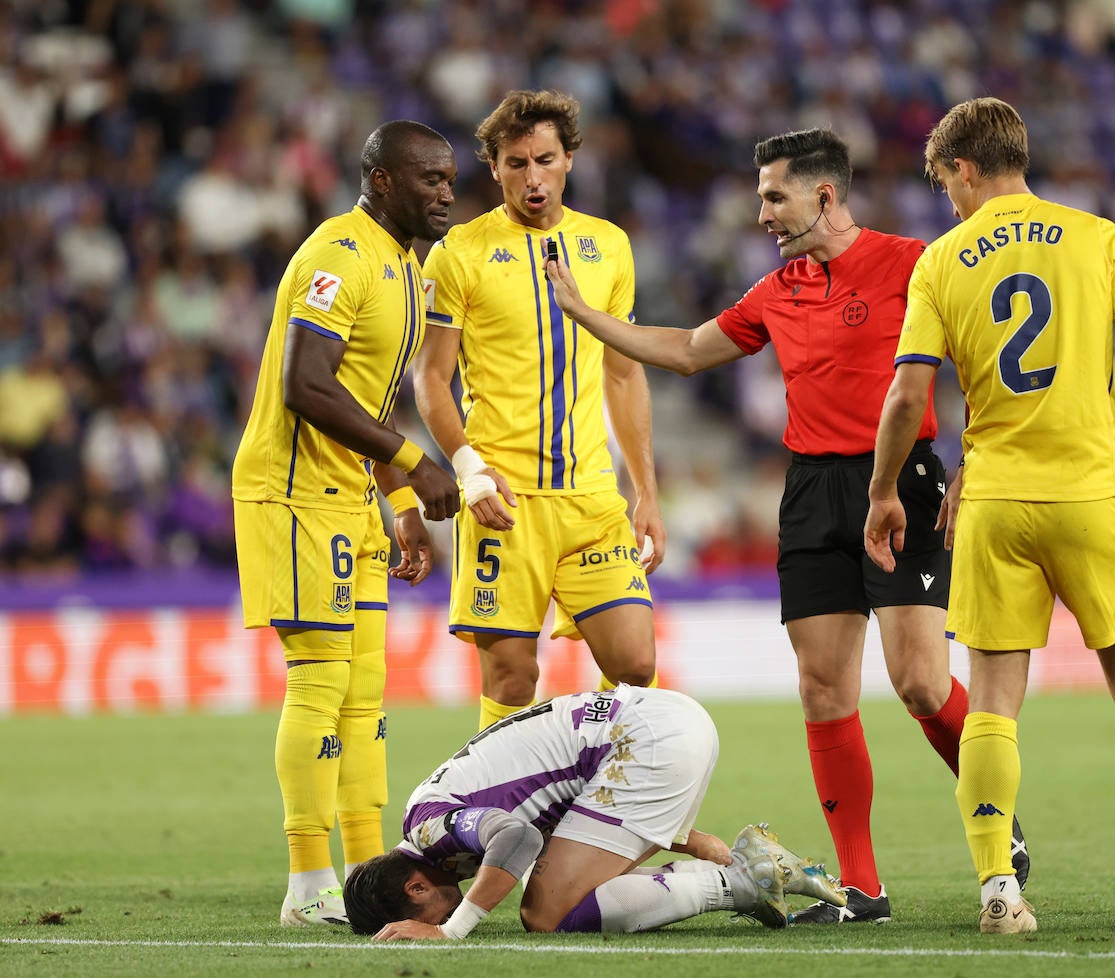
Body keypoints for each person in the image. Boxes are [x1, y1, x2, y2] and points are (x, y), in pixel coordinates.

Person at [542, 127, 1028, 924]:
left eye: (774, 195)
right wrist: (584, 313)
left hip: (901, 480)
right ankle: (862, 886)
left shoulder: (913, 262)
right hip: (811, 492)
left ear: (824, 195)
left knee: (918, 680)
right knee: (822, 686)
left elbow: (978, 353)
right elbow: (689, 350)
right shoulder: (778, 290)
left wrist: (977, 451)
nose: (761, 210)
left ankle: (996, 812)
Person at [863, 97, 1115, 934]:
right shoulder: (1097, 236)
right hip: (1095, 492)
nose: (948, 201)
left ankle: (998, 892)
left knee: (990, 699)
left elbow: (908, 390)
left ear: (962, 168)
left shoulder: (942, 259)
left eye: (945, 184)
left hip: (992, 502)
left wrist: (884, 493)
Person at [231, 120, 464, 927]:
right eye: (430, 178)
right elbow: (306, 384)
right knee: (322, 685)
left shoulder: (408, 264)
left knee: (366, 698)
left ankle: (366, 868)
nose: (446, 192)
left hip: (350, 499)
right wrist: (417, 459)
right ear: (382, 179)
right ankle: (307, 881)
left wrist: (398, 501)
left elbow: (366, 401)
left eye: (450, 178)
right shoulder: (341, 253)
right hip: (293, 492)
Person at [414, 90, 663, 732]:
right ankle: (504, 822)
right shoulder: (459, 252)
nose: (533, 178)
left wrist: (647, 491)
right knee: (512, 678)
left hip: (590, 498)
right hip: (505, 501)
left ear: (570, 159)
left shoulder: (608, 246)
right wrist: (470, 471)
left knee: (636, 662)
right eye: (516, 163)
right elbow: (432, 379)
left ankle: (594, 804)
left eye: (545, 160)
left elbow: (624, 371)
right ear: (493, 168)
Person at [342, 684, 847, 938]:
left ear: (416, 886)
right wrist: (689, 839)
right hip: (659, 723)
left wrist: (449, 932)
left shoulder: (429, 828)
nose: (441, 916)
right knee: (565, 886)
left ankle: (743, 881)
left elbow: (518, 838)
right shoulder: (435, 820)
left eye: (423, 917)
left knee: (545, 910)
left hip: (643, 741)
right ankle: (743, 869)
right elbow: (553, 803)